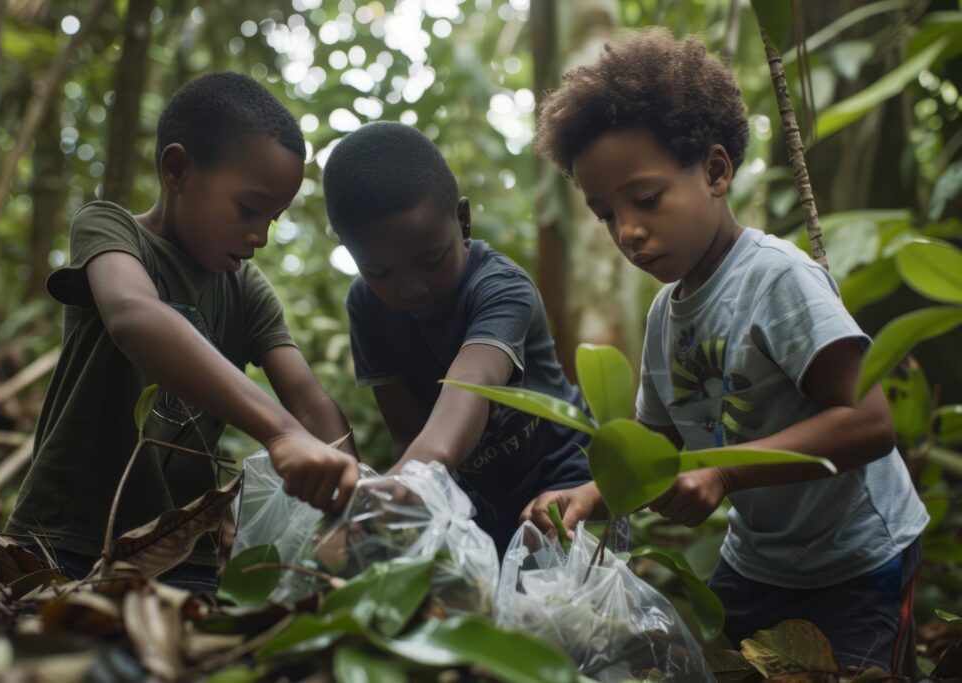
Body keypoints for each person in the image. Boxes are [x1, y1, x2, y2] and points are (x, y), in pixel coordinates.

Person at [527, 29, 929, 674]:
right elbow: (655, 444)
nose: (627, 231)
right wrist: (591, 494)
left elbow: (869, 422)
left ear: (715, 171)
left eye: (646, 199)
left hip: (856, 559)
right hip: (759, 560)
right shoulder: (666, 314)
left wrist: (724, 472)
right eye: (605, 213)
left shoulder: (777, 278)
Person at [5, 72, 359, 591]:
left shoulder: (246, 288)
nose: (259, 235)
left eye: (273, 219)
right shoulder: (111, 231)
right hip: (64, 538)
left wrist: (351, 488)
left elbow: (308, 401)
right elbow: (134, 316)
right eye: (248, 209)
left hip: (181, 560)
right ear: (177, 170)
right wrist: (280, 432)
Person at [322, 121, 609, 554]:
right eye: (379, 271)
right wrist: (406, 497)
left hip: (565, 476)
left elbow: (470, 385)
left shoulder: (502, 289)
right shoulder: (366, 306)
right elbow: (409, 435)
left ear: (462, 219)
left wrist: (402, 482)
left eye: (430, 259)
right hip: (474, 498)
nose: (409, 286)